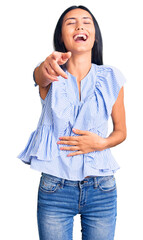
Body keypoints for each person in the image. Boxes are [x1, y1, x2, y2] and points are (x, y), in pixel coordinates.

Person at [18, 5, 127, 240]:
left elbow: (121, 132)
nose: (79, 25)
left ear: (94, 35)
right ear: (61, 37)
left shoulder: (111, 77)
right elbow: (38, 75)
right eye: (71, 22)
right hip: (55, 189)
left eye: (87, 21)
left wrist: (100, 143)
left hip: (101, 188)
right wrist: (46, 64)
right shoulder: (51, 74)